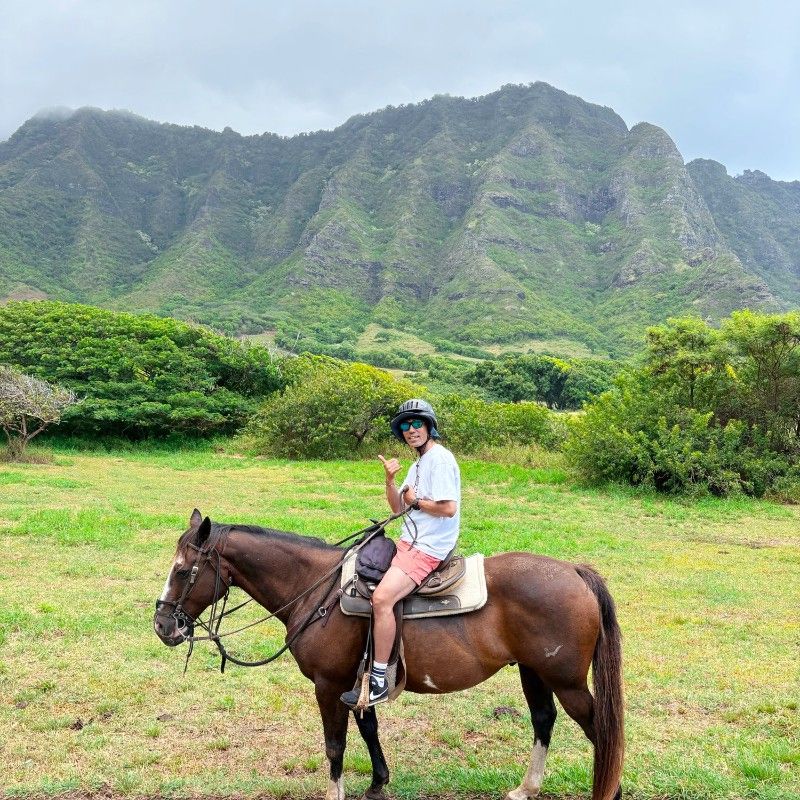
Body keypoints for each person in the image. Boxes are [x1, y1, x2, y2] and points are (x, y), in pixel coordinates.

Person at [341, 399, 460, 707]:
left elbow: (448, 508)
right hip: (409, 540)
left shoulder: (440, 459)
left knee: (382, 599)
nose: (411, 430)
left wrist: (418, 502)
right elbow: (398, 508)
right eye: (405, 426)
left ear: (429, 426)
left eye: (416, 423)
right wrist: (391, 481)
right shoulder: (418, 464)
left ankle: (380, 681)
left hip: (428, 547)